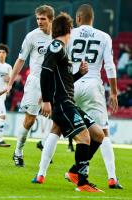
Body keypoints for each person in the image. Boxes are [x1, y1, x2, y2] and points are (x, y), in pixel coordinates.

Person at [33, 4, 123, 189]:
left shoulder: (69, 41)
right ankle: (110, 177)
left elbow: (57, 73)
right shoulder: (102, 37)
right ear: (92, 19)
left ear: (79, 19)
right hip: (90, 86)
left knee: (57, 129)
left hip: (71, 88)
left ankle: (41, 173)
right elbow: (110, 65)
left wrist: (78, 75)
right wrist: (113, 92)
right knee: (101, 133)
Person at [2, 5, 54, 166]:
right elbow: (21, 60)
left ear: (51, 19)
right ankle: (18, 151)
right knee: (30, 120)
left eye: (43, 19)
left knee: (59, 118)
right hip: (36, 82)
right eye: (37, 18)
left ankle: (46, 145)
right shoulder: (32, 36)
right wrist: (10, 83)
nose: (39, 22)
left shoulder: (61, 36)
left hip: (54, 82)